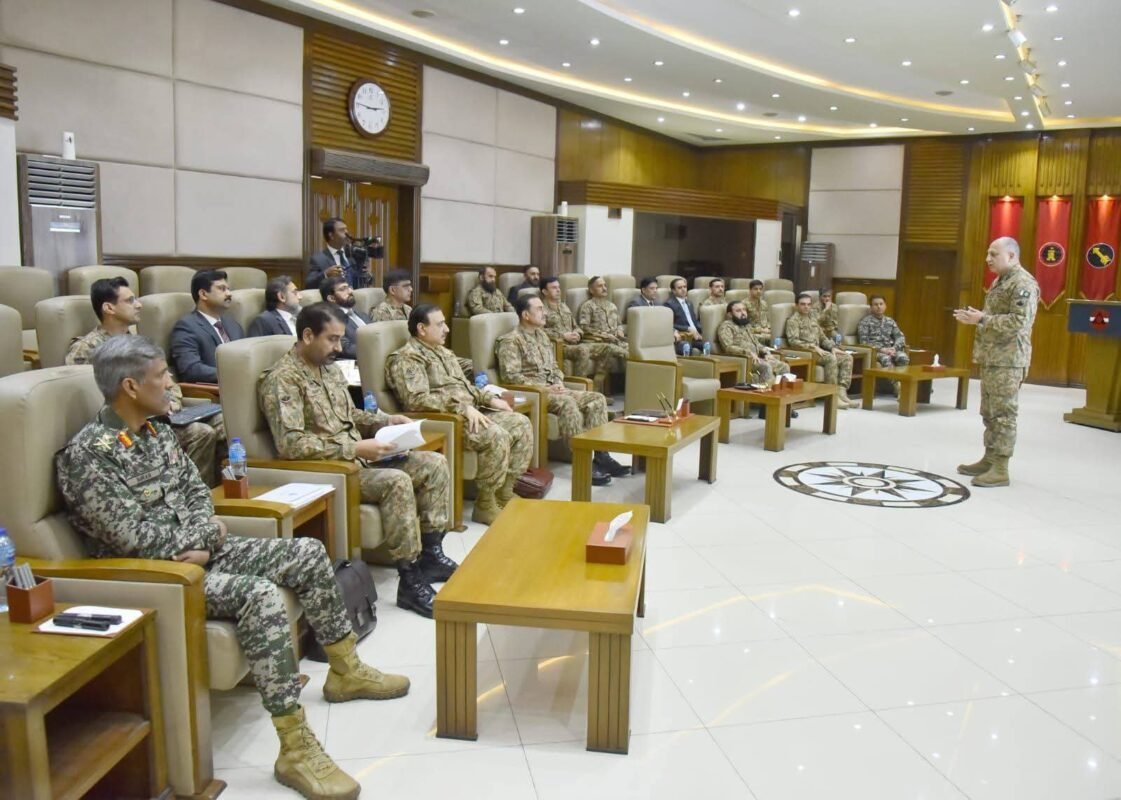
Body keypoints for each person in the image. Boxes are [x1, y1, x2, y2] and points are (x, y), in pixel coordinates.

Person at [57, 334, 408, 800]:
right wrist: (205, 540)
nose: (171, 384)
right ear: (130, 386)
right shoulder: (90, 455)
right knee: (258, 594)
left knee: (306, 553)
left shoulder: (156, 431)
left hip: (197, 552)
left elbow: (196, 491)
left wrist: (204, 538)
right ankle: (295, 747)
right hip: (159, 576)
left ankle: (345, 670)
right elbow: (133, 539)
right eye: (161, 376)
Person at [259, 303, 455, 618]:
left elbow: (350, 416)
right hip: (332, 469)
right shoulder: (284, 379)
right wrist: (355, 449)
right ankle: (409, 580)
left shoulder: (330, 369)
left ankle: (431, 555)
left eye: (340, 339)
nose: (340, 347)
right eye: (332, 339)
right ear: (308, 335)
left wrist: (384, 421)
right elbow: (291, 444)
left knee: (434, 464)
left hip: (359, 458)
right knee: (397, 481)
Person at [66, 277, 226, 485]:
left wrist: (171, 402)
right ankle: (187, 489)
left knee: (223, 421)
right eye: (130, 300)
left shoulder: (139, 343)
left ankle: (221, 489)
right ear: (108, 308)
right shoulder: (87, 349)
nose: (139, 305)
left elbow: (168, 380)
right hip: (127, 424)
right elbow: (93, 398)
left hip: (159, 415)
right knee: (200, 433)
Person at [386, 304, 532, 524]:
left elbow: (465, 387)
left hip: (470, 412)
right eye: (440, 324)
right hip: (445, 419)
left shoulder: (443, 352)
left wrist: (490, 399)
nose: (446, 329)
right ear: (422, 329)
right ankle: (485, 504)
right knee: (496, 435)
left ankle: (504, 492)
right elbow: (415, 400)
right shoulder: (407, 358)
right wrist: (462, 408)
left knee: (521, 423)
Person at [497, 295, 629, 483]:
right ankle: (582, 463)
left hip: (554, 389)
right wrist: (545, 388)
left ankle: (602, 456)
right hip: (536, 393)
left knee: (597, 399)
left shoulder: (542, 336)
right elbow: (510, 376)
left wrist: (558, 381)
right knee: (568, 404)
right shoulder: (511, 341)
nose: (544, 313)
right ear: (525, 315)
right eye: (539, 309)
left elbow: (554, 366)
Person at [953, 236, 1039, 488]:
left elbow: (1020, 321)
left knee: (1004, 414)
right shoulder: (1001, 280)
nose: (987, 259)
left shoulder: (1023, 283)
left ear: (1011, 256)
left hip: (1008, 360)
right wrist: (977, 318)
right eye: (988, 254)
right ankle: (990, 458)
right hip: (993, 357)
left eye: (993, 254)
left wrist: (982, 319)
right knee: (989, 412)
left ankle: (1001, 467)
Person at [541, 276, 625, 395]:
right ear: (545, 291)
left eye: (558, 287)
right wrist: (563, 335)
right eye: (554, 288)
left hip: (575, 343)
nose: (558, 290)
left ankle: (595, 390)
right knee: (583, 349)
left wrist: (578, 333)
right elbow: (540, 330)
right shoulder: (541, 309)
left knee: (608, 348)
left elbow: (576, 326)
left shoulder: (563, 306)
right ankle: (580, 391)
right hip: (559, 346)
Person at [169, 269, 244, 383]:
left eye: (228, 289)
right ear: (203, 294)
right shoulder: (186, 327)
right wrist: (232, 374)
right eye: (222, 289)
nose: (229, 294)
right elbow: (191, 369)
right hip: (212, 390)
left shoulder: (233, 324)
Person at [785, 292, 855, 408]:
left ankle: (841, 393)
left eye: (809, 304)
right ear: (796, 305)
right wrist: (812, 347)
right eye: (803, 304)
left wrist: (832, 347)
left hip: (819, 351)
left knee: (847, 358)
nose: (806, 307)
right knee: (830, 359)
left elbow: (822, 338)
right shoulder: (793, 321)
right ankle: (832, 397)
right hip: (806, 352)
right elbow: (793, 341)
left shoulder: (813, 319)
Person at [716, 300, 791, 385]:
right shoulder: (726, 327)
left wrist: (766, 353)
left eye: (744, 310)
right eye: (738, 311)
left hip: (757, 358)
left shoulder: (746, 326)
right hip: (744, 359)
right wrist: (748, 352)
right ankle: (764, 391)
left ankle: (780, 391)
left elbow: (757, 344)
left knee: (784, 366)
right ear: (730, 314)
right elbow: (728, 347)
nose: (743, 313)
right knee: (765, 367)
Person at [306, 216, 371, 290]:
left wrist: (367, 275)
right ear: (331, 235)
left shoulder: (354, 254)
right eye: (342, 230)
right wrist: (325, 274)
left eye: (346, 229)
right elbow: (309, 284)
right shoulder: (318, 259)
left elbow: (364, 281)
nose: (347, 233)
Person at [319, 276, 369, 360]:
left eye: (349, 287)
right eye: (343, 289)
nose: (350, 291)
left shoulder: (362, 314)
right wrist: (377, 349)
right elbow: (346, 349)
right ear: (331, 298)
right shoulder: (329, 320)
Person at [858, 295, 910, 367]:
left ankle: (900, 375)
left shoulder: (890, 321)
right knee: (887, 359)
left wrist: (894, 348)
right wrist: (882, 349)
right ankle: (891, 375)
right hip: (876, 352)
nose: (879, 307)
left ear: (885, 306)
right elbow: (864, 343)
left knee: (903, 358)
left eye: (881, 304)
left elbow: (900, 337)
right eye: (876, 304)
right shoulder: (865, 322)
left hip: (891, 350)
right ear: (871, 307)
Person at [577, 276, 626, 346]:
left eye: (605, 285)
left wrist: (620, 330)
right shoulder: (587, 306)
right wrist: (603, 335)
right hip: (598, 342)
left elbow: (619, 324)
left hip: (616, 341)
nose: (604, 288)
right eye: (600, 286)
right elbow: (584, 327)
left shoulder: (612, 306)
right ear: (591, 290)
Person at [665, 277, 708, 354]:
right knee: (687, 346)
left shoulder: (689, 303)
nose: (683, 289)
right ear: (673, 290)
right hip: (682, 337)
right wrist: (688, 328)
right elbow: (669, 324)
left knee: (707, 345)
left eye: (685, 287)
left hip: (694, 336)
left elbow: (694, 321)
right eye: (679, 288)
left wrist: (698, 331)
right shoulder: (669, 304)